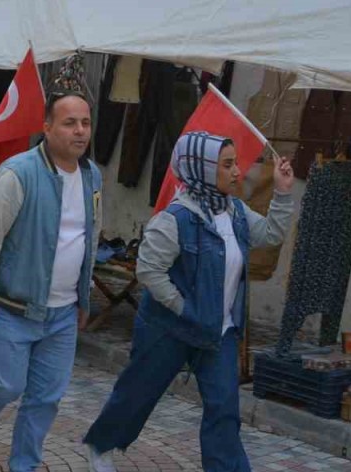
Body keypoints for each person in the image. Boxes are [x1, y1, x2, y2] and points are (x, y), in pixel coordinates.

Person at [82, 134, 296, 472]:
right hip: (169, 328)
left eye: (234, 163)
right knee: (138, 394)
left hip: (218, 331)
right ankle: (101, 443)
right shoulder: (175, 219)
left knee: (224, 409)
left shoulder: (236, 212)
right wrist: (185, 309)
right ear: (202, 169)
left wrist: (283, 193)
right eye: (227, 165)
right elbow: (150, 272)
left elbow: (271, 235)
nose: (237, 172)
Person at [0, 91, 101, 472]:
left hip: (63, 313)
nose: (80, 131)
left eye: (85, 122)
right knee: (5, 385)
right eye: (70, 123)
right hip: (12, 308)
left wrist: (83, 298)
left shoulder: (92, 176)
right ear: (47, 127)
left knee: (46, 398)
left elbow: (89, 237)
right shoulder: (18, 174)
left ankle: (25, 465)